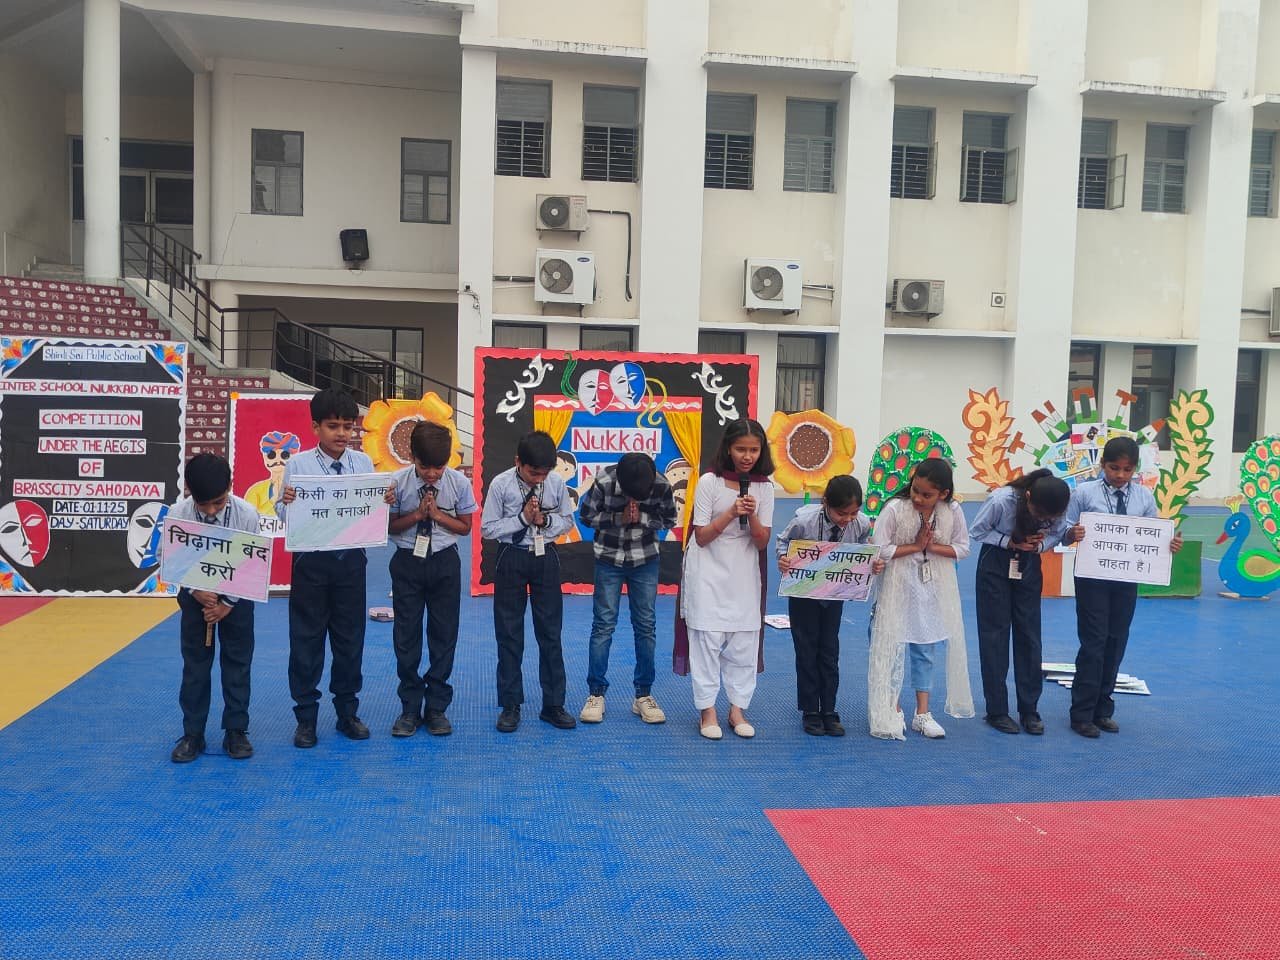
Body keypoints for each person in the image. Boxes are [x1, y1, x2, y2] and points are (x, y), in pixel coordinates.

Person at [277, 388, 391, 749]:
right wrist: (287, 503)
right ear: (315, 427)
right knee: (306, 641)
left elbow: (372, 508)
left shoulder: (363, 463)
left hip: (351, 563)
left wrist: (384, 500)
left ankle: (347, 713)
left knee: (350, 640)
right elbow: (282, 513)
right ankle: (306, 718)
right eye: (333, 426)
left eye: (347, 426)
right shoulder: (298, 465)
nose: (341, 433)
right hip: (310, 562)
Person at [1063, 436, 1182, 738]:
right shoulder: (1084, 493)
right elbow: (1063, 526)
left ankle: (1103, 709)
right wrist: (1072, 533)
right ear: (1102, 465)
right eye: (1114, 468)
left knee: (1116, 641)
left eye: (1127, 469)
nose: (1120, 475)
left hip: (1127, 579)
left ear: (1135, 469)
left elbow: (1153, 535)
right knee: (1094, 642)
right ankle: (1081, 713)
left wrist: (1169, 543)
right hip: (1092, 577)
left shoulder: (1144, 497)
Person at [679, 418, 775, 740]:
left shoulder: (764, 487)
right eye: (740, 449)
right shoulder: (710, 481)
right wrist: (731, 513)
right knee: (706, 638)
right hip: (707, 568)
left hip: (744, 572)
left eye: (754, 450)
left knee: (744, 640)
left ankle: (737, 709)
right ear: (728, 449)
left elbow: (762, 542)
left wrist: (752, 515)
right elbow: (702, 536)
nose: (747, 456)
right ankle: (707, 711)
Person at [867, 458, 974, 740]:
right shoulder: (895, 508)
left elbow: (963, 548)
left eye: (926, 495)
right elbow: (880, 549)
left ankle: (922, 713)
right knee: (894, 644)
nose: (918, 498)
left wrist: (932, 547)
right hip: (897, 586)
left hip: (932, 588)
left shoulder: (952, 511)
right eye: (915, 490)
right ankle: (893, 708)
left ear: (943, 494)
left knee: (925, 647)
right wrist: (915, 546)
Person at [480, 430, 577, 733]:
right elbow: (488, 528)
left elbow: (567, 521)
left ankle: (553, 705)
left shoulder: (556, 483)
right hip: (511, 556)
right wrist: (522, 520)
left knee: (550, 633)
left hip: (545, 556)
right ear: (518, 462)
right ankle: (511, 705)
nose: (539, 479)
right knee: (509, 634)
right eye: (533, 473)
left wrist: (545, 521)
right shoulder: (501, 484)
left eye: (544, 473)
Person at [168, 453, 261, 763]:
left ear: (230, 487)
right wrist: (195, 590)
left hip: (237, 600)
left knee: (237, 664)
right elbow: (169, 559)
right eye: (202, 504)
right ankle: (192, 733)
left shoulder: (247, 515)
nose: (210, 511)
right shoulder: (178, 514)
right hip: (195, 600)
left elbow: (252, 563)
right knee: (195, 666)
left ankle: (236, 730)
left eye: (218, 503)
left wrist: (226, 604)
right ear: (188, 491)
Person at [386, 421, 476, 738]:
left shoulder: (459, 483)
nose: (432, 474)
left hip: (444, 562)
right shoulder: (396, 483)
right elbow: (388, 526)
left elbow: (465, 527)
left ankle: (436, 707)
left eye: (439, 467)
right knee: (406, 636)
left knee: (444, 635)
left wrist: (437, 516)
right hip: (407, 562)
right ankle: (410, 708)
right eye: (425, 467)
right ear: (412, 457)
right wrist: (417, 516)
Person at [577, 452, 679, 725]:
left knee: (645, 626)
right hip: (608, 559)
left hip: (645, 560)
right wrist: (616, 518)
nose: (634, 498)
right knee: (603, 626)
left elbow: (670, 519)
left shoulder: (661, 484)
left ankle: (643, 695)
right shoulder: (604, 481)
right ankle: (596, 694)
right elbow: (586, 516)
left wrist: (642, 519)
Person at [970, 469, 1071, 736]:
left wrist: (1039, 546)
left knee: (1030, 637)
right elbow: (977, 531)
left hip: (1029, 564)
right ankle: (997, 711)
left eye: (1049, 518)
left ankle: (1029, 710)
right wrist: (1010, 542)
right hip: (995, 563)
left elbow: (1059, 533)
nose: (1043, 520)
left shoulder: (1057, 507)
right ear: (1027, 497)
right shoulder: (1001, 500)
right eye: (1039, 514)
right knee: (994, 637)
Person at [775, 474, 871, 737]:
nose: (847, 518)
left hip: (834, 593)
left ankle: (829, 709)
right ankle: (810, 710)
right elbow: (783, 542)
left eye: (853, 512)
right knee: (806, 650)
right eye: (842, 513)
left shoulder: (861, 523)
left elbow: (864, 545)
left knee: (829, 652)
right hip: (803, 593)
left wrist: (869, 561)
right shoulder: (804, 521)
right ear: (826, 502)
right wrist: (783, 559)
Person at [243, 431, 301, 520]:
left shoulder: (301, 490)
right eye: (271, 455)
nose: (278, 460)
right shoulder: (256, 491)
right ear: (264, 457)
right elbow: (247, 519)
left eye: (284, 455)